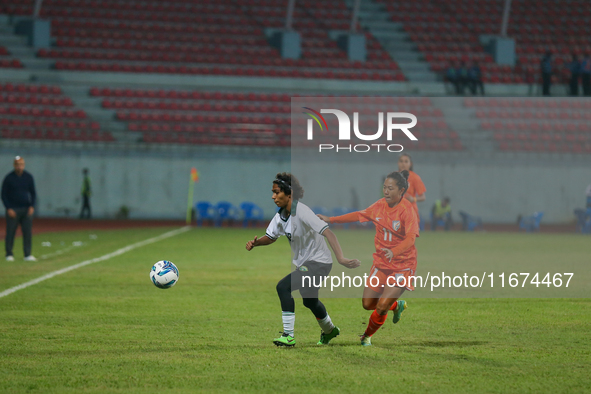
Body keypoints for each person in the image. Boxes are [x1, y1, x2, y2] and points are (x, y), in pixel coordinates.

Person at [245, 172, 360, 347]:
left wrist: (341, 258)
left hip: (319, 263)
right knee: (309, 300)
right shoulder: (281, 216)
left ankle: (288, 336)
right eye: (273, 192)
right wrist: (256, 243)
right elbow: (271, 236)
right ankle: (330, 330)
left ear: (289, 193)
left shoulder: (303, 212)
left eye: (277, 192)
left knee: (283, 286)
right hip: (306, 264)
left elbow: (328, 232)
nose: (273, 196)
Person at [318, 171, 419, 346]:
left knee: (381, 307)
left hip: (402, 265)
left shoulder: (407, 210)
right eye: (384, 188)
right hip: (381, 263)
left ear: (401, 190)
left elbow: (411, 238)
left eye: (390, 188)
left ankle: (366, 336)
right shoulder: (379, 206)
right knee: (368, 303)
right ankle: (396, 305)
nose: (386, 191)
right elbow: (359, 215)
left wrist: (394, 252)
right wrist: (331, 219)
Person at [1, 156, 37, 261]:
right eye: (17, 165)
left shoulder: (28, 177)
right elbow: (3, 194)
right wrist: (8, 208)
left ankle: (27, 254)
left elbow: (33, 193)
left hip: (26, 209)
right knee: (11, 232)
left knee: (27, 232)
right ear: (14, 165)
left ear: (24, 165)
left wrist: (32, 206)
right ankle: (9, 254)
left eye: (21, 164)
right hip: (13, 209)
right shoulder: (9, 178)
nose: (19, 167)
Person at [397, 153, 426, 224]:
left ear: (410, 164)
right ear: (398, 163)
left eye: (406, 161)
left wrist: (413, 199)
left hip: (411, 212)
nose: (403, 164)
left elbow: (423, 197)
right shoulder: (394, 177)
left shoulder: (415, 177)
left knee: (410, 234)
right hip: (397, 213)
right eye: (401, 161)